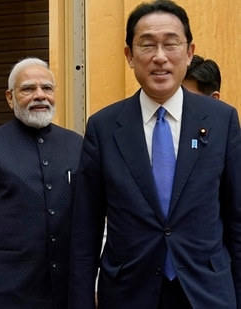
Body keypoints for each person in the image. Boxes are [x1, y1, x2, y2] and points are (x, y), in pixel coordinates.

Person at [69, 1, 241, 308]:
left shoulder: (221, 119)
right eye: (147, 45)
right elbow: (86, 229)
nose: (160, 57)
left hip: (207, 292)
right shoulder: (103, 127)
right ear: (129, 56)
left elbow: (236, 217)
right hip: (129, 293)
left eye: (171, 44)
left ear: (189, 52)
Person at [0, 57, 83, 308]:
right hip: (9, 292)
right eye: (28, 89)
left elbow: (94, 220)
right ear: (10, 97)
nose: (39, 95)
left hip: (69, 291)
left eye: (46, 88)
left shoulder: (77, 144)